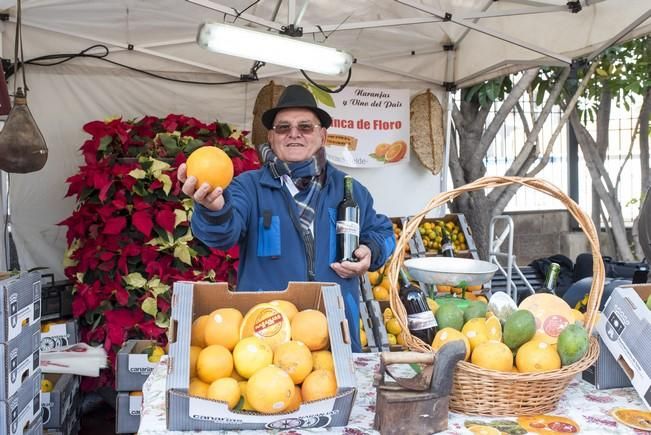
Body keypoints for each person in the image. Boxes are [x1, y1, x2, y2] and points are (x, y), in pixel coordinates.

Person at [178, 84, 396, 352]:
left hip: (335, 335)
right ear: (271, 137)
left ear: (323, 135)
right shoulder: (248, 187)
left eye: (305, 127)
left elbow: (385, 234)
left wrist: (370, 252)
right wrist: (214, 208)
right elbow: (222, 236)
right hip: (266, 337)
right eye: (283, 128)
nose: (294, 134)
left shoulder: (349, 189)